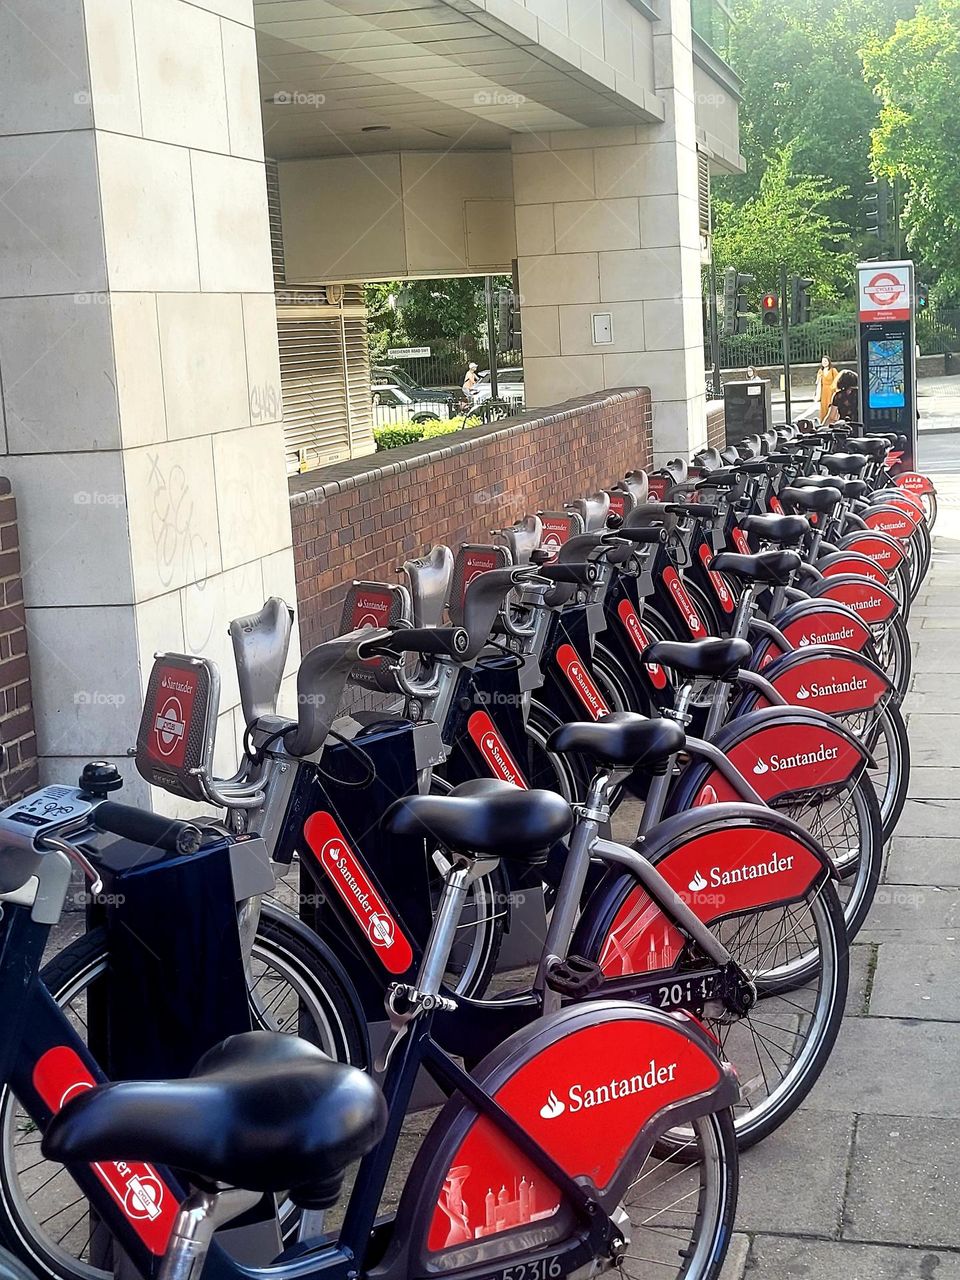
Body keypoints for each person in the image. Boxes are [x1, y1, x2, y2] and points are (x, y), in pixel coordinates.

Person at [815, 355, 839, 422]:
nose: (824, 362)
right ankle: (823, 421)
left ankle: (832, 421)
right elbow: (818, 382)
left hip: (831, 390)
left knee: (831, 406)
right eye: (823, 361)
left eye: (825, 361)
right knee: (824, 407)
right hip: (823, 391)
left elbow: (837, 380)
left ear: (829, 362)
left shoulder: (833, 370)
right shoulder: (820, 371)